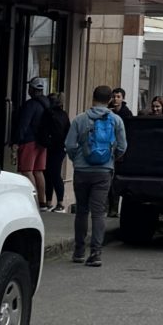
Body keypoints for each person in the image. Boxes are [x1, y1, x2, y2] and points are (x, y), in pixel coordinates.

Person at [69, 86, 128, 268]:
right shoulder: (116, 120)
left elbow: (70, 145)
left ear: (92, 98)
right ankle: (96, 253)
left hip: (82, 170)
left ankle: (79, 250)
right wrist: (111, 158)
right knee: (98, 212)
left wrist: (77, 159)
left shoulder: (80, 119)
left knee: (81, 211)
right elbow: (122, 146)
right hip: (103, 171)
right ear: (110, 99)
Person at [12, 77, 49, 205]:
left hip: (29, 141)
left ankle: (33, 201)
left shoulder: (31, 105)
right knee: (38, 171)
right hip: (42, 143)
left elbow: (23, 124)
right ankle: (42, 201)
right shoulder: (47, 103)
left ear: (31, 89)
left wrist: (16, 141)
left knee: (27, 171)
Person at [39, 89, 70, 212]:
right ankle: (60, 202)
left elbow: (43, 130)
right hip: (61, 147)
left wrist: (43, 142)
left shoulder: (48, 113)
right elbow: (68, 130)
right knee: (56, 173)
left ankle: (49, 202)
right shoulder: (64, 114)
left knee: (49, 174)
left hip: (50, 147)